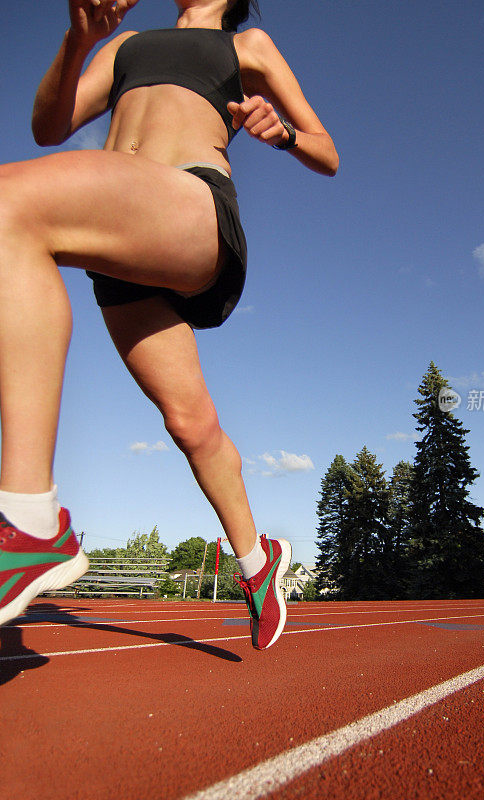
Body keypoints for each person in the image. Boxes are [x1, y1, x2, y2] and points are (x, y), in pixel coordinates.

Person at [0, 0, 338, 650]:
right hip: (122, 234)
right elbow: (49, 126)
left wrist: (285, 133)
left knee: (9, 206)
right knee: (191, 424)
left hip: (191, 206)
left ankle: (28, 515)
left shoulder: (250, 46)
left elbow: (329, 154)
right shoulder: (124, 40)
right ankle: (257, 564)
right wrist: (78, 41)